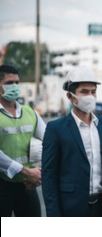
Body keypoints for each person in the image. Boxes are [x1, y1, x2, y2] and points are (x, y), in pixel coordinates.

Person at [42, 66, 102, 217]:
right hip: (71, 208)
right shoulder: (55, 129)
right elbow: (49, 175)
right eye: (84, 92)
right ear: (70, 96)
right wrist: (53, 215)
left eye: (93, 92)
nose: (90, 96)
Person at [0, 64, 46, 217]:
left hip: (27, 185)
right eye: (8, 83)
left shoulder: (29, 112)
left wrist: (39, 173)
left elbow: (50, 142)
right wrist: (26, 172)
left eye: (16, 83)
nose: (14, 87)